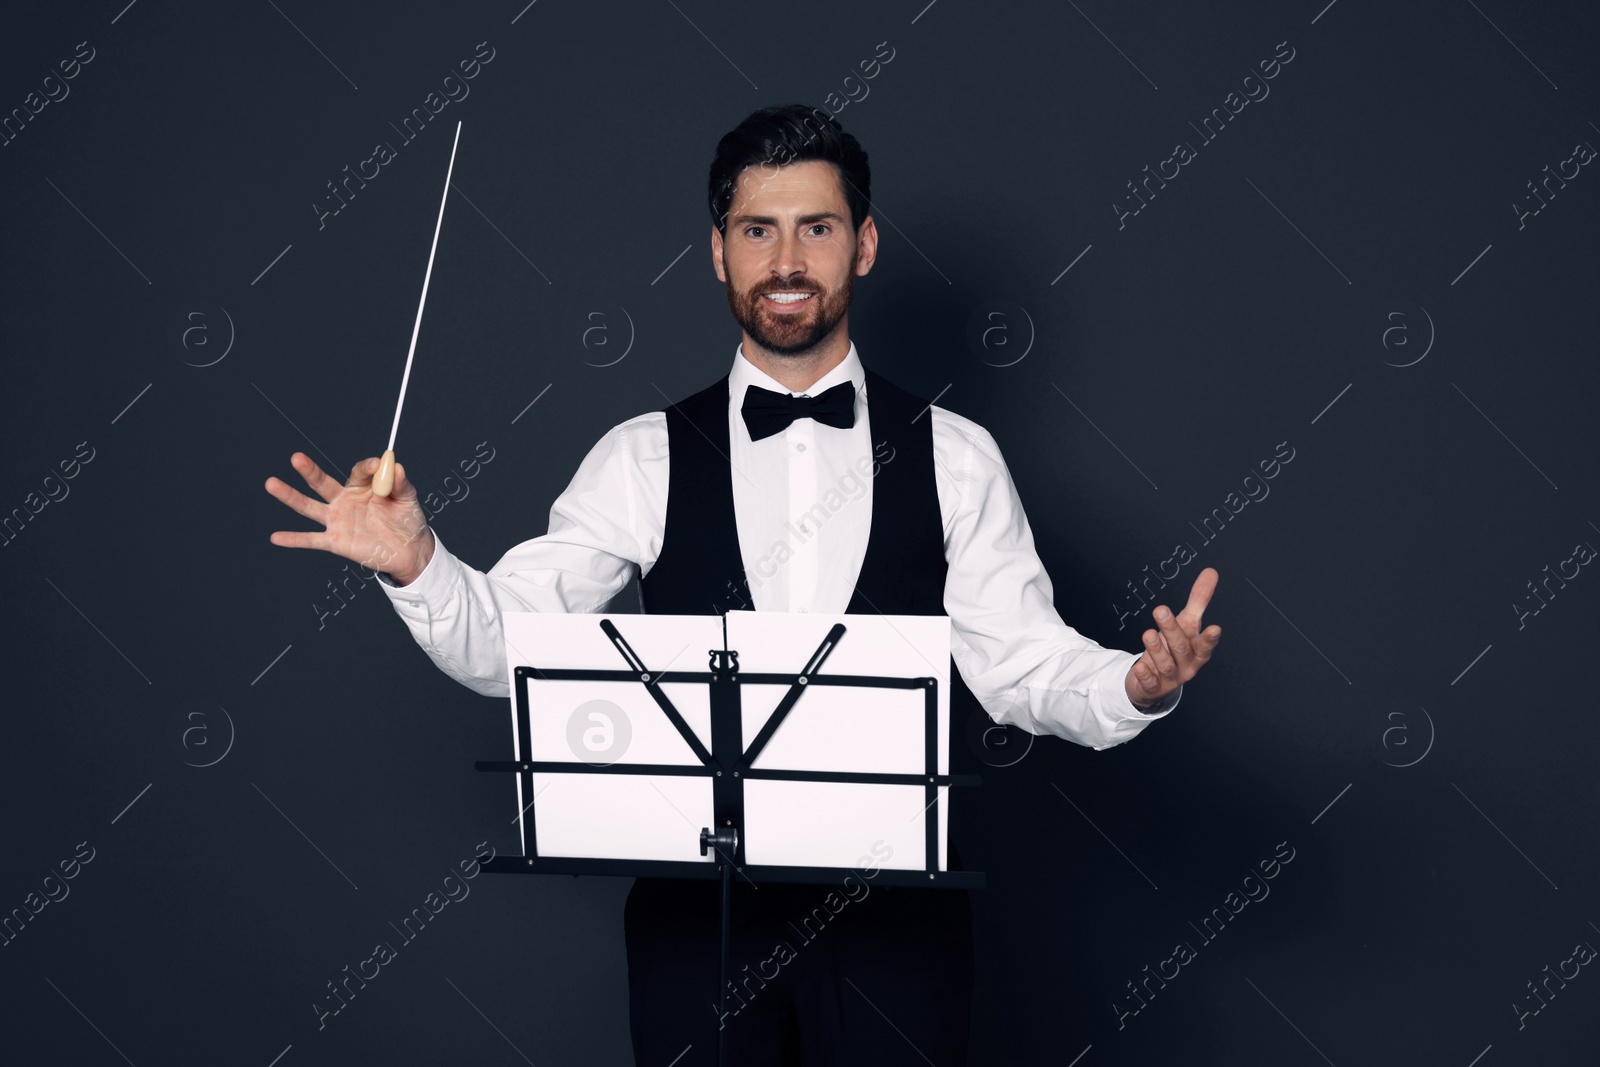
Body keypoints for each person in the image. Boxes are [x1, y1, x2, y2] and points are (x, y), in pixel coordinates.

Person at [264, 103, 1222, 1065]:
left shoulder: (959, 456)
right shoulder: (642, 456)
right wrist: (419, 561)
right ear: (719, 253)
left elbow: (1024, 663)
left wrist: (1133, 686)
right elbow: (507, 645)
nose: (788, 259)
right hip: (698, 923)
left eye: (818, 226)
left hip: (900, 920)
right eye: (758, 230)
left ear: (866, 245)